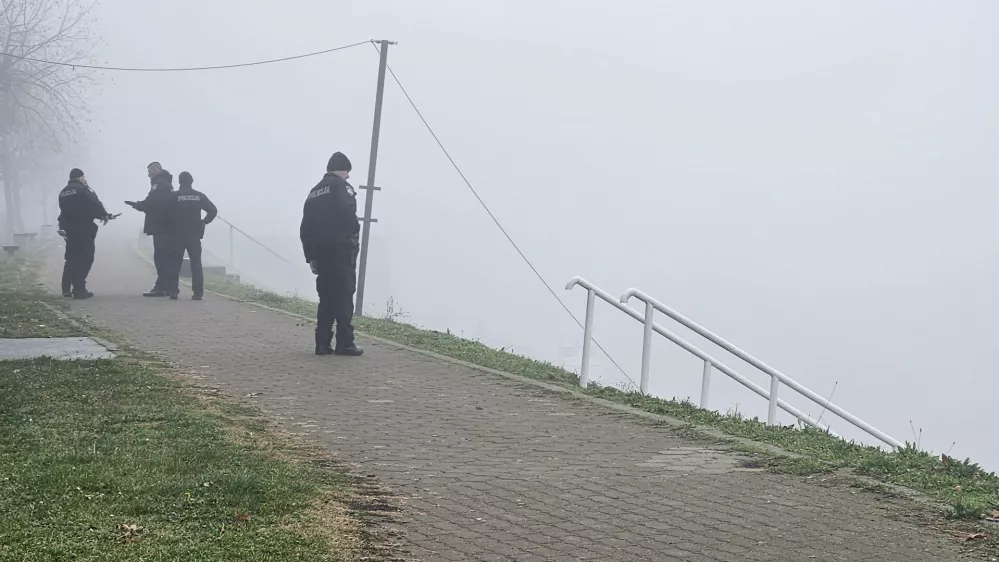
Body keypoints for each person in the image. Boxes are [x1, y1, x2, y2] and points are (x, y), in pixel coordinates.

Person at [299, 151, 363, 356]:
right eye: (347, 172)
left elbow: (305, 227)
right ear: (342, 170)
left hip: (321, 253)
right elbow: (348, 214)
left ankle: (322, 343)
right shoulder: (341, 187)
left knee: (326, 298)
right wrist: (354, 233)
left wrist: (311, 256)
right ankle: (345, 343)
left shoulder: (314, 191)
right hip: (341, 251)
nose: (349, 176)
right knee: (344, 295)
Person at [57, 168, 112, 299]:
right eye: (84, 177)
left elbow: (65, 210)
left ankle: (66, 287)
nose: (86, 180)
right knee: (86, 257)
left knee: (71, 257)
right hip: (83, 228)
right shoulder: (84, 189)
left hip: (69, 229)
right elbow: (94, 203)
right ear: (80, 178)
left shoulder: (63, 192)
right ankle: (79, 289)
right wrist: (104, 215)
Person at [126, 162, 176, 298]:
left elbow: (152, 202)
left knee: (160, 257)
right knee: (164, 256)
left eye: (150, 171)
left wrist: (138, 205)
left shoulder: (159, 184)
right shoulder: (167, 184)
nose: (148, 174)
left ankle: (162, 287)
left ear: (156, 170)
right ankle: (167, 286)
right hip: (166, 225)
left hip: (160, 225)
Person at [167, 171, 217, 300]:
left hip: (176, 234)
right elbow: (213, 210)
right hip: (194, 234)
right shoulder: (199, 196)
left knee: (174, 263)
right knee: (196, 264)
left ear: (179, 182)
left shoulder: (173, 196)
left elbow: (164, 213)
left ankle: (173, 291)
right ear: (192, 181)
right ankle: (198, 292)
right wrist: (204, 221)